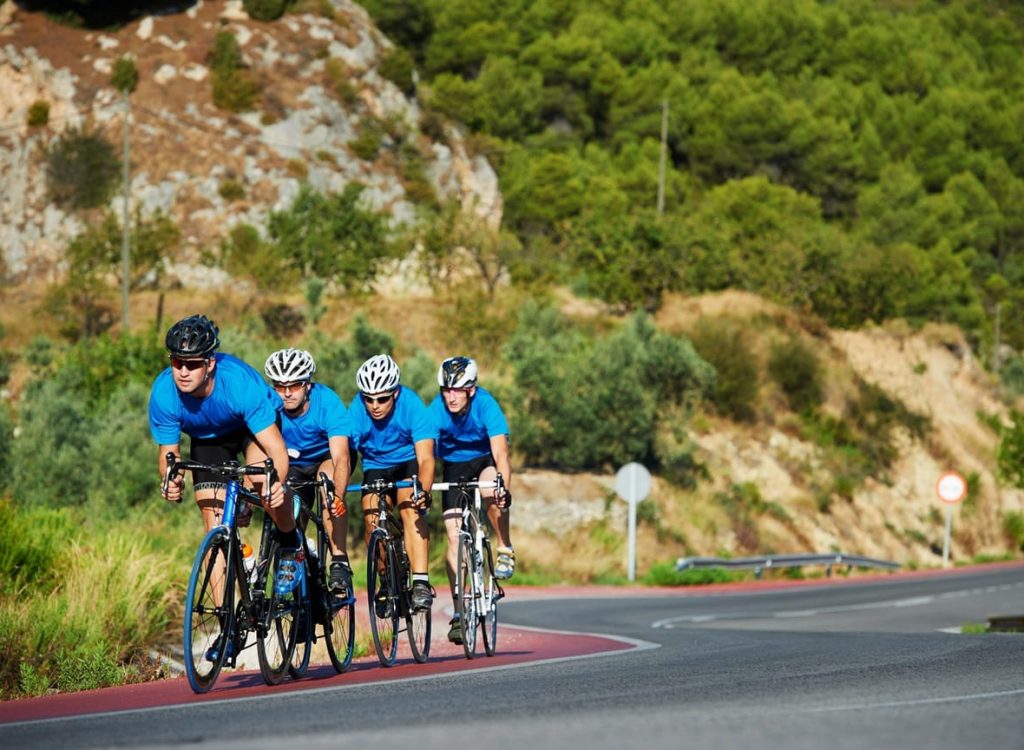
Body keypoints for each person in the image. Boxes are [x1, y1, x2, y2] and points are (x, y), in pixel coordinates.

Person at [148, 314, 295, 661]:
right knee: (213, 524)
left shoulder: (239, 384)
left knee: (262, 480)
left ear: (210, 364)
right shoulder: (164, 392)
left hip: (251, 428)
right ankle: (228, 625)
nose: (182, 371)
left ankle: (290, 540)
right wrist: (170, 482)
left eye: (192, 364)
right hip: (207, 439)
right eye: (176, 362)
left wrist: (276, 484)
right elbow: (168, 455)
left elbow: (276, 450)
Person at [428, 356, 515, 646]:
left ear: (471, 390)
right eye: (446, 390)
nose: (450, 396)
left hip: (483, 461)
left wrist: (503, 486)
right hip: (453, 467)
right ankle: (457, 611)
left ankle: (504, 546)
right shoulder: (436, 410)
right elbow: (425, 451)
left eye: (457, 390)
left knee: (492, 489)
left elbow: (501, 454)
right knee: (454, 539)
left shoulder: (486, 406)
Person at [348, 354, 436, 612]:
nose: (374, 405)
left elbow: (427, 459)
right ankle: (386, 579)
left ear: (395, 394)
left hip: (408, 462)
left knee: (411, 509)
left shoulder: (412, 405)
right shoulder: (356, 410)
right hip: (375, 466)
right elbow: (346, 455)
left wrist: (425, 491)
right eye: (368, 399)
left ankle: (420, 582)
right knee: (371, 516)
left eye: (382, 399)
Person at [264, 347, 354, 599]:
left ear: (308, 385)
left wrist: (337, 495)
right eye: (280, 386)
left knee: (327, 486)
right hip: (292, 464)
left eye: (294, 385)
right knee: (289, 522)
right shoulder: (270, 406)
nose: (286, 393)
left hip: (326, 457)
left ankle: (339, 559)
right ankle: (303, 598)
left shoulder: (327, 402)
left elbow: (341, 457)